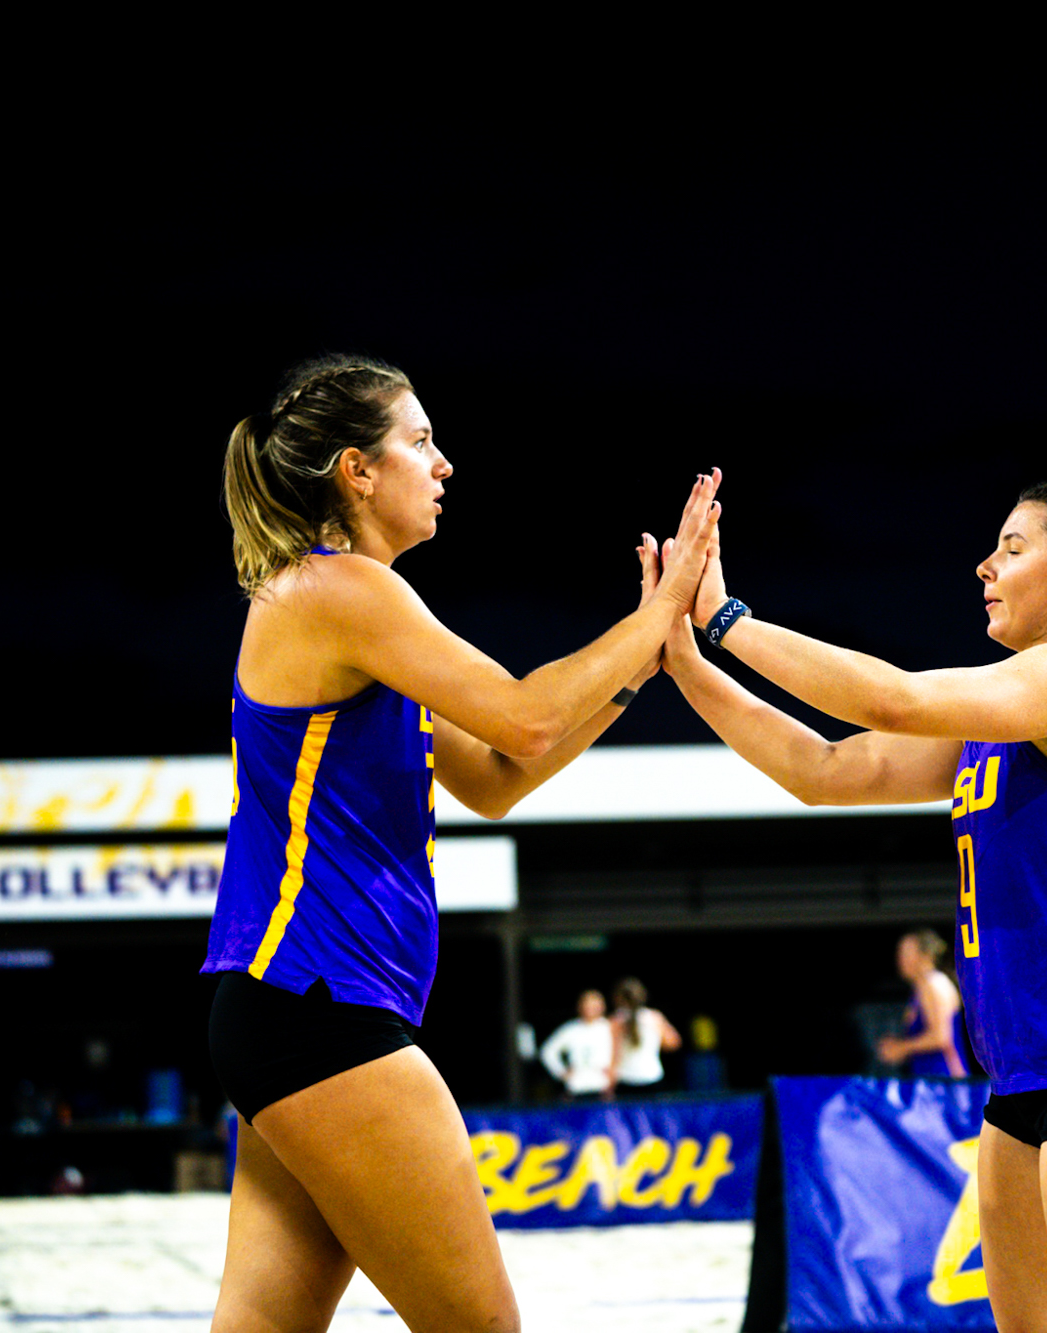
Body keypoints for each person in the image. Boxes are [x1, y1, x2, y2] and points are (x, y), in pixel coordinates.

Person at [202, 355, 720, 1333]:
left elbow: (495, 778)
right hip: (323, 1010)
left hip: (282, 1011)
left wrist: (645, 658)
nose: (443, 463)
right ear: (357, 471)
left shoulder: (355, 618)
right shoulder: (339, 591)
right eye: (421, 440)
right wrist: (652, 612)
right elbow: (527, 720)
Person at [662, 476, 1047, 1333]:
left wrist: (727, 617)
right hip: (1024, 1079)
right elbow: (825, 771)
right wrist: (687, 664)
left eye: (1014, 547)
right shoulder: (999, 723)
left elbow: (894, 697)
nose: (985, 564)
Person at [876, 929, 968, 1078]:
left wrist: (902, 1048)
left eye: (906, 952)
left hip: (945, 1082)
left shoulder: (934, 983)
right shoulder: (919, 989)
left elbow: (941, 1037)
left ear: (925, 955)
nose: (900, 959)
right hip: (928, 1082)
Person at [609, 977, 682, 1096]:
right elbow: (673, 1043)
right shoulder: (655, 1017)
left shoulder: (616, 1021)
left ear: (618, 998)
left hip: (626, 1080)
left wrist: (609, 1085)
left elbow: (613, 1056)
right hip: (652, 1077)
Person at [540, 990, 617, 1101]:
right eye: (587, 1005)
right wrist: (561, 1072)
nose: (590, 1009)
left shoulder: (609, 1027)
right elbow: (547, 1051)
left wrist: (613, 1072)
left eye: (594, 1005)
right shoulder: (571, 1029)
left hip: (603, 1088)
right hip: (577, 1087)